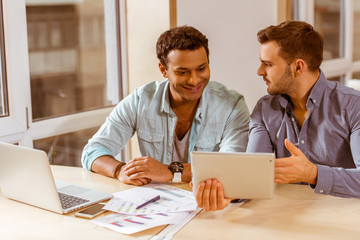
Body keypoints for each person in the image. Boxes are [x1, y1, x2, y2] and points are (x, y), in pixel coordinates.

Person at [196, 20, 360, 211]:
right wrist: (230, 195)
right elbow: (253, 175)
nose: (259, 72)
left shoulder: (354, 106)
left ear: (298, 67)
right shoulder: (264, 110)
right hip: (285, 220)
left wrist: (313, 174)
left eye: (267, 64)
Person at [81, 25, 250, 186]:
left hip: (210, 205)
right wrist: (119, 170)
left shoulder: (232, 106)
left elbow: (232, 166)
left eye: (201, 68)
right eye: (182, 72)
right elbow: (92, 151)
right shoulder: (140, 101)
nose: (194, 80)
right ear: (163, 70)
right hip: (157, 205)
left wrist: (169, 171)